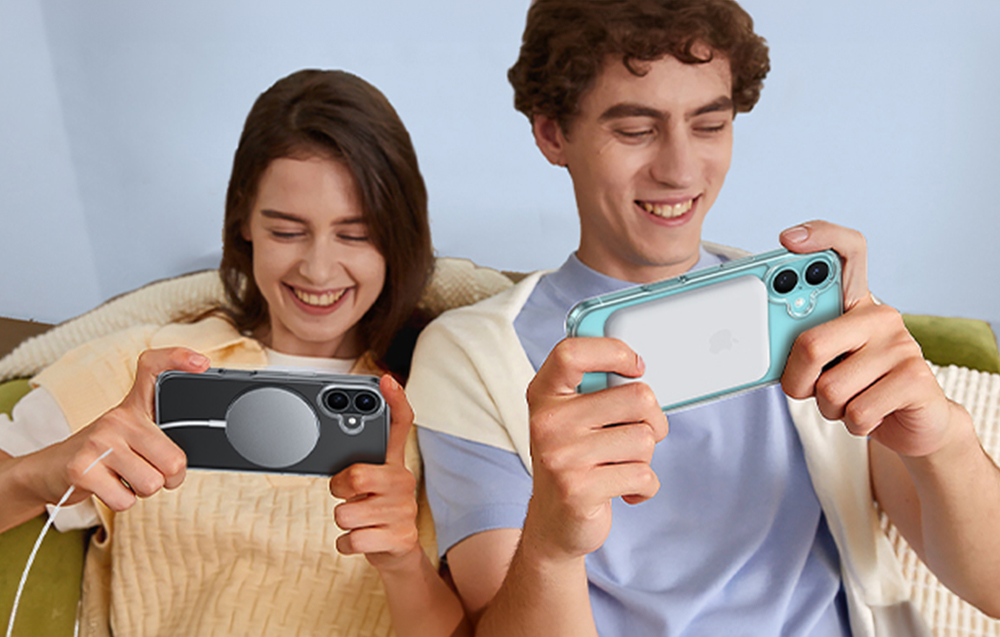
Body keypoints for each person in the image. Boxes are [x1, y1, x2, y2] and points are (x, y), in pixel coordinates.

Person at [406, 1, 1000, 636]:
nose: (681, 170)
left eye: (710, 124)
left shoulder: (810, 310)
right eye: (636, 130)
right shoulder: (473, 355)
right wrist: (551, 544)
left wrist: (943, 438)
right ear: (553, 135)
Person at [0, 69, 468, 637]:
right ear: (244, 221)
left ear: (399, 235)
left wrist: (403, 563)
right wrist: (41, 473)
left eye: (355, 234)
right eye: (287, 231)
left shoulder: (438, 389)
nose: (319, 270)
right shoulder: (151, 366)